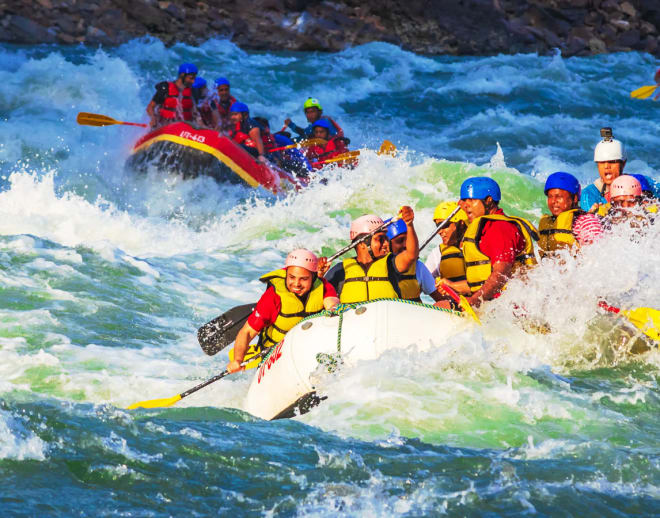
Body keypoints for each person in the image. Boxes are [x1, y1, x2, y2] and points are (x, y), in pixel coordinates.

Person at [227, 249, 339, 373]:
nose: (296, 283)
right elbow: (247, 332)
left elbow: (332, 304)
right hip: (274, 355)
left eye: (303, 279)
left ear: (313, 278)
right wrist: (237, 359)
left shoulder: (322, 286)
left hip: (308, 350)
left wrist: (334, 309)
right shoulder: (273, 297)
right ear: (286, 274)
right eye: (292, 277)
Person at [457, 177, 539, 308]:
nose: (466, 205)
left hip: (509, 308)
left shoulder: (499, 229)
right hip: (493, 303)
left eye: (471, 200)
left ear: (489, 201)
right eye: (464, 200)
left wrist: (475, 300)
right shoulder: (485, 226)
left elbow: (501, 274)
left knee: (443, 305)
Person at [323, 208, 418, 303]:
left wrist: (409, 225)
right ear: (362, 244)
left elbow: (411, 255)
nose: (386, 244)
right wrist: (318, 276)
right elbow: (319, 295)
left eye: (386, 238)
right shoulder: (340, 271)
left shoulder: (391, 263)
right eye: (380, 239)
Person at [538, 172, 603, 257]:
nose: (553, 201)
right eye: (550, 196)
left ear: (575, 198)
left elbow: (597, 256)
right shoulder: (547, 224)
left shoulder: (586, 222)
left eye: (559, 196)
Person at [386, 219, 443, 302]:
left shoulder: (418, 267)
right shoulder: (378, 268)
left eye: (408, 240)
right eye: (400, 241)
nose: (406, 245)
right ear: (387, 245)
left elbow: (440, 299)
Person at [424, 202, 470, 296]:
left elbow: (486, 284)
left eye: (444, 225)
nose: (439, 232)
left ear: (461, 223)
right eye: (438, 227)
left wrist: (452, 285)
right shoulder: (437, 254)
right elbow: (422, 281)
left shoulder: (478, 246)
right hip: (456, 305)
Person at [580, 127, 627, 213]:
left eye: (612, 162)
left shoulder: (638, 184)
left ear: (623, 164)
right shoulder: (589, 194)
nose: (606, 166)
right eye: (602, 162)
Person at [146, 63, 198, 128]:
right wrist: (153, 118)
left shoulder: (192, 91)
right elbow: (150, 107)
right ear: (182, 75)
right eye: (191, 78)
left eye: (194, 79)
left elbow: (195, 114)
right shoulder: (165, 88)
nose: (193, 81)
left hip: (184, 129)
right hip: (163, 127)